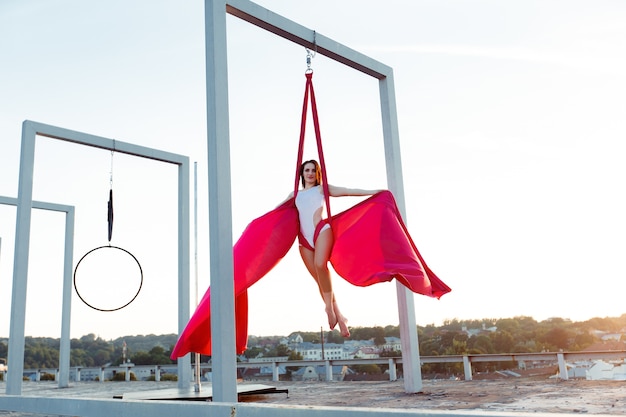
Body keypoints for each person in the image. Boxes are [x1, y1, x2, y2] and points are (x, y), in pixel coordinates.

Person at [284, 160, 383, 338]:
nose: (310, 173)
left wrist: (374, 192)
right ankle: (341, 318)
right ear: (302, 173)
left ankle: (329, 308)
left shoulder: (322, 189)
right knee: (320, 280)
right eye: (307, 170)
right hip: (304, 240)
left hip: (321, 230)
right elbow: (278, 210)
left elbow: (348, 191)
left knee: (321, 265)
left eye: (314, 170)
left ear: (317, 173)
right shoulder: (295, 194)